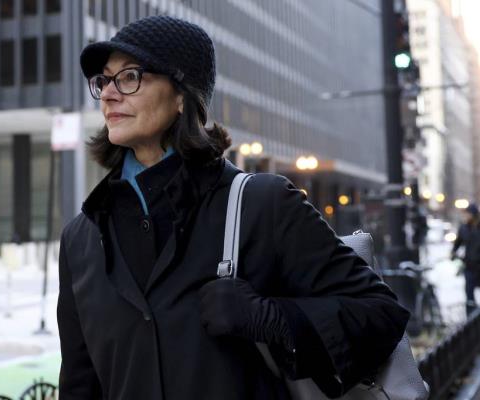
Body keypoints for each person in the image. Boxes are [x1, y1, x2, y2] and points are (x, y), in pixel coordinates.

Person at [57, 15, 409, 400]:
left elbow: (380, 314)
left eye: (129, 77)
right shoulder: (82, 238)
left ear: (181, 96)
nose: (108, 94)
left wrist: (272, 320)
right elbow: (80, 383)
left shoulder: (263, 204)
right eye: (104, 81)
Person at [451, 203, 480, 316]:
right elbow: (458, 243)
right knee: (469, 294)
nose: (466, 216)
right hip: (469, 265)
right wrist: (453, 253)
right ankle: (470, 318)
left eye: (468, 214)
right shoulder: (463, 228)